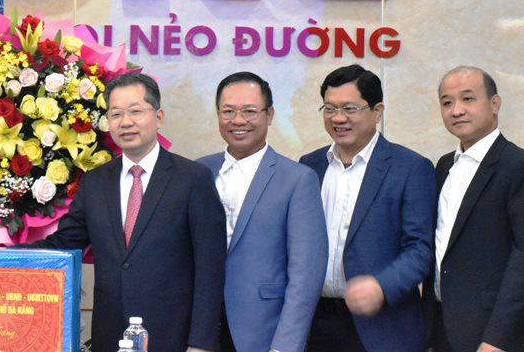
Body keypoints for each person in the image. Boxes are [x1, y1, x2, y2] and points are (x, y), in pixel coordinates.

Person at [25, 72, 226, 352]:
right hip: (111, 336)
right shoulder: (95, 182)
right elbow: (62, 245)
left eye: (135, 111)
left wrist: (201, 343)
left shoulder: (192, 179)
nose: (126, 122)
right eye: (116, 114)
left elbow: (210, 269)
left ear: (158, 117)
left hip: (174, 337)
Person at [299, 64, 436, 352]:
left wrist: (380, 287)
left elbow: (420, 249)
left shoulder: (410, 168)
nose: (338, 118)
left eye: (350, 108)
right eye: (329, 108)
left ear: (377, 111)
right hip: (315, 323)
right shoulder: (309, 167)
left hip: (382, 325)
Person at [197, 72, 327, 352]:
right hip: (200, 333)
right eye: (228, 111)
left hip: (263, 333)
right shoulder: (197, 172)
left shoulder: (298, 179)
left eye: (249, 111)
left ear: (269, 114)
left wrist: (285, 345)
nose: (238, 120)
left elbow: (306, 274)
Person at [425, 66, 524, 352]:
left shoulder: (516, 166)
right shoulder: (444, 165)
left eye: (468, 99)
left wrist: (498, 339)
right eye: (447, 102)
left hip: (492, 337)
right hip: (441, 328)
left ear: (495, 104)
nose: (456, 110)